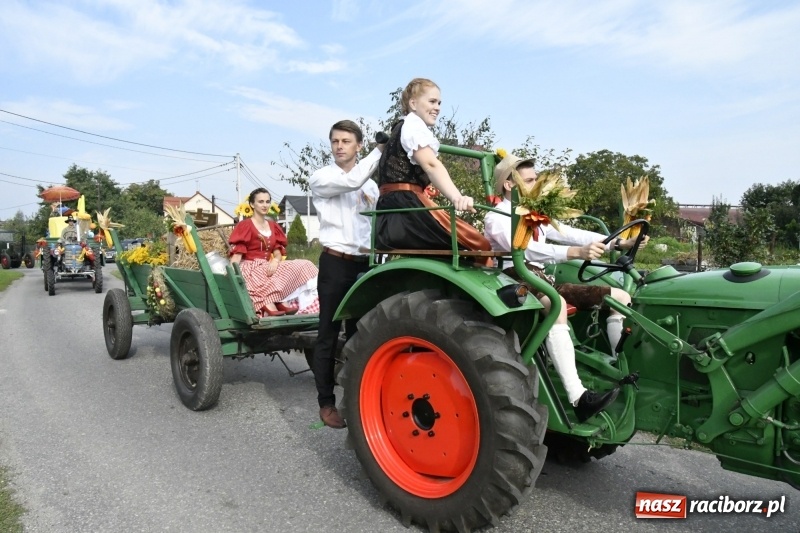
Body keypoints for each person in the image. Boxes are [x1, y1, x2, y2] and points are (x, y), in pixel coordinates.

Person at [484, 154, 647, 422]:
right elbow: (525, 249)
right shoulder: (497, 217)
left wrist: (618, 242)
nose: (536, 184)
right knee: (556, 305)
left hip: (541, 279)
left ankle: (621, 372)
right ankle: (578, 397)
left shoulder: (534, 215)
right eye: (529, 181)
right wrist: (574, 253)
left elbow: (571, 232)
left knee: (620, 296)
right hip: (513, 278)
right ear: (510, 185)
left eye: (536, 179)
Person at [308, 119, 384, 429]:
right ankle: (326, 403)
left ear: (358, 146)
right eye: (335, 141)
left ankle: (358, 399)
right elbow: (352, 180)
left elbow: (374, 223)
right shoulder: (322, 177)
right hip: (335, 263)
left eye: (346, 141)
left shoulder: (371, 185)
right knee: (327, 334)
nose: (339, 146)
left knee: (360, 333)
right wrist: (382, 150)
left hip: (362, 263)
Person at [375, 78, 491, 263]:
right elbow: (431, 165)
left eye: (439, 103)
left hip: (393, 210)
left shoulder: (401, 126)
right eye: (431, 101)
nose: (437, 107)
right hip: (406, 207)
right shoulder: (413, 126)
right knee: (478, 245)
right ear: (413, 103)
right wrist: (456, 197)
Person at [228, 188, 318, 317]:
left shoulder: (273, 226)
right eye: (260, 202)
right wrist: (231, 271)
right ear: (252, 204)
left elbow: (277, 252)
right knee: (262, 276)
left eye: (267, 201)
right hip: (250, 266)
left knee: (306, 264)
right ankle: (269, 302)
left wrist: (275, 260)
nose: (265, 205)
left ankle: (293, 303)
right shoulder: (245, 225)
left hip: (268, 264)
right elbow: (237, 254)